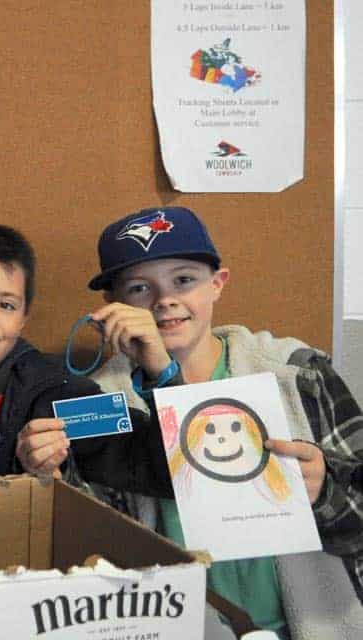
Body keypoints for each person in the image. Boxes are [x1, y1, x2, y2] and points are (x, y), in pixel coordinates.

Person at [57, 206, 362, 638]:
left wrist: (324, 491)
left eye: (184, 280)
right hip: (176, 627)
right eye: (140, 288)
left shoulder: (296, 374)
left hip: (309, 626)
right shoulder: (97, 403)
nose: (164, 300)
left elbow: (356, 523)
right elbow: (88, 551)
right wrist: (51, 473)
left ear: (218, 283)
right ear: (113, 306)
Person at [0, 221, 175, 492]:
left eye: (6, 305)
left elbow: (169, 473)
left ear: (22, 320)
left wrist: (162, 372)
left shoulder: (63, 393)